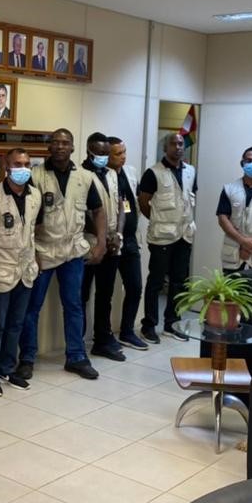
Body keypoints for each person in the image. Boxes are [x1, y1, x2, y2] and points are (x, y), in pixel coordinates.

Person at [18, 129, 106, 380]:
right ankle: (27, 358)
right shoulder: (35, 175)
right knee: (31, 308)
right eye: (55, 142)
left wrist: (100, 243)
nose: (60, 146)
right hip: (42, 251)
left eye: (65, 143)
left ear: (73, 147)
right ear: (49, 147)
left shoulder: (85, 177)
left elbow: (98, 211)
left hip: (72, 251)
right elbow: (25, 214)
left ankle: (76, 357)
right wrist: (30, 251)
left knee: (74, 305)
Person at [0, 148, 42, 396]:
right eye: (17, 164)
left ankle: (7, 367)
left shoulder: (35, 195)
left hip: (25, 271)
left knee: (16, 323)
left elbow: (34, 230)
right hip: (0, 269)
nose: (23, 169)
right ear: (6, 167)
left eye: (26, 164)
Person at [138, 132, 196, 342]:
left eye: (181, 144)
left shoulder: (190, 171)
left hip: (184, 235)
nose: (178, 147)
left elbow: (188, 199)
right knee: (156, 281)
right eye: (173, 144)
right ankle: (149, 325)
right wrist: (158, 220)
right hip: (162, 236)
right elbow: (143, 202)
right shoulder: (153, 173)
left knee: (179, 282)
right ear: (165, 148)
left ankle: (172, 324)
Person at [79, 133, 125, 361]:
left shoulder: (112, 174)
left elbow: (121, 205)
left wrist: (118, 235)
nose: (104, 157)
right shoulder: (81, 175)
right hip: (89, 243)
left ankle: (102, 340)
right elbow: (83, 212)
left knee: (105, 295)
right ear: (89, 150)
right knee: (81, 296)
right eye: (100, 153)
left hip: (113, 243)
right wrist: (101, 236)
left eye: (107, 153)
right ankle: (77, 345)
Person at [104, 136, 147, 351]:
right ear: (107, 156)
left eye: (124, 152)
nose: (123, 157)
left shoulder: (130, 172)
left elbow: (135, 202)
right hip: (111, 241)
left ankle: (127, 331)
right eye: (118, 154)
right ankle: (105, 335)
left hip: (130, 239)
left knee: (135, 287)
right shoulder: (103, 175)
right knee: (106, 292)